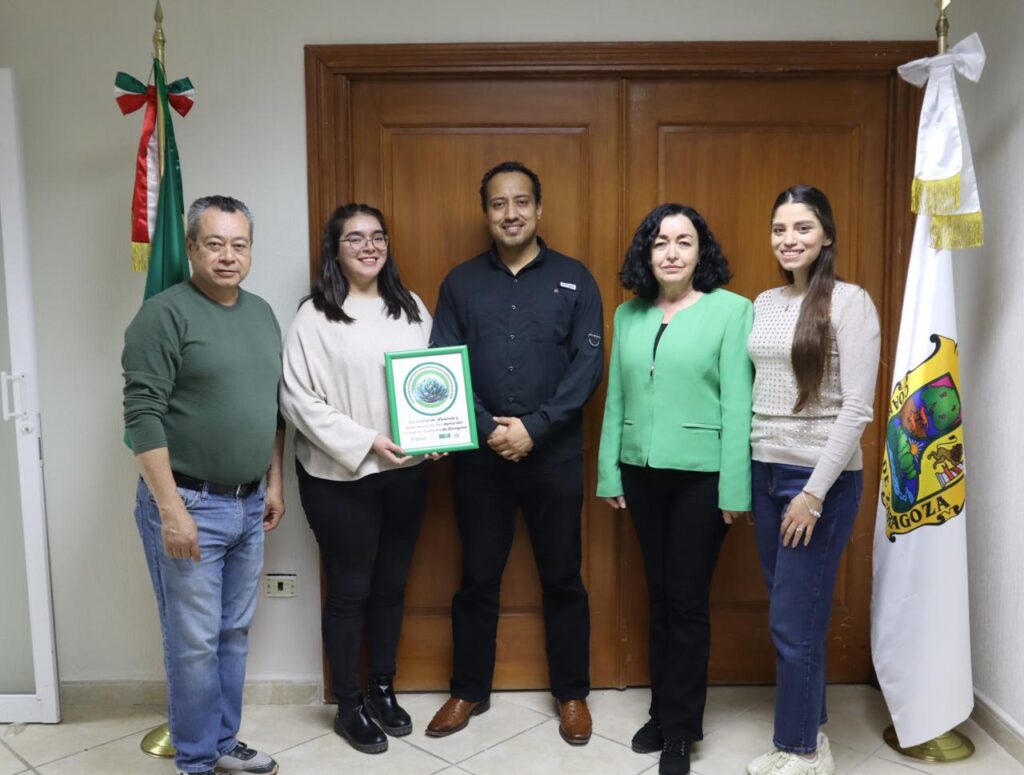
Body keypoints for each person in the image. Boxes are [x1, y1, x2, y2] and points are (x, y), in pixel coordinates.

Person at [427, 160, 604, 745]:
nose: (511, 213)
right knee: (477, 578)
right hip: (480, 462)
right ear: (486, 213)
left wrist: (534, 428)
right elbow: (443, 364)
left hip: (554, 458)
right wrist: (489, 429)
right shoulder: (459, 283)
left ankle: (572, 694)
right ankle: (468, 690)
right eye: (499, 203)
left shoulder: (576, 279)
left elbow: (587, 368)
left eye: (521, 201)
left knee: (564, 578)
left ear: (538, 208)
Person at [123, 195, 284, 775]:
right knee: (193, 643)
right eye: (214, 244)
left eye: (239, 244)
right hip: (189, 503)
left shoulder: (262, 313)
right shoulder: (163, 315)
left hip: (248, 504)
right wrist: (171, 510)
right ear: (191, 247)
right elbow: (141, 414)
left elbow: (270, 408)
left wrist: (274, 481)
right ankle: (194, 762)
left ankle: (220, 742)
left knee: (232, 633)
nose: (227, 256)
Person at [597, 203, 753, 774]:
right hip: (640, 474)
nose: (671, 252)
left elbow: (738, 404)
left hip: (702, 480)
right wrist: (609, 471)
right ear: (647, 252)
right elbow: (616, 397)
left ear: (700, 251)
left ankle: (682, 730)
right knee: (659, 597)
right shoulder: (629, 314)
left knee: (686, 603)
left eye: (684, 241)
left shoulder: (731, 311)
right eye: (660, 241)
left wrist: (735, 489)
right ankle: (661, 712)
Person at [279, 204, 434, 754]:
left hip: (407, 473)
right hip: (339, 477)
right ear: (336, 250)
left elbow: (434, 383)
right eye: (355, 238)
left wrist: (438, 432)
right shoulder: (314, 317)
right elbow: (297, 401)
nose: (369, 247)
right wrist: (367, 441)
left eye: (377, 236)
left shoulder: (411, 307)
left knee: (392, 585)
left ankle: (382, 689)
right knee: (350, 590)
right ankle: (348, 704)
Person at [745, 186, 880, 775]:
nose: (789, 239)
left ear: (826, 235)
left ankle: (798, 749)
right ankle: (812, 733)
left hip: (818, 480)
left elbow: (857, 409)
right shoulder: (763, 302)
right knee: (794, 613)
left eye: (802, 228)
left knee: (792, 621)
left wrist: (813, 493)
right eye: (779, 229)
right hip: (764, 471)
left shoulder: (851, 303)